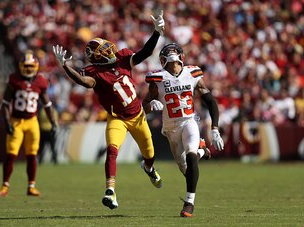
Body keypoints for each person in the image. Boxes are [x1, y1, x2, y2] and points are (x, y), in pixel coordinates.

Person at [52, 11, 165, 210]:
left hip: (138, 116)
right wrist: (65, 66)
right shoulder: (94, 72)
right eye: (105, 52)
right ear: (97, 58)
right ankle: (110, 192)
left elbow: (144, 53)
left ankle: (148, 168)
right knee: (112, 152)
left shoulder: (122, 57)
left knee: (150, 154)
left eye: (108, 48)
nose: (110, 52)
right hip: (117, 119)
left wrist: (157, 32)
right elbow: (84, 81)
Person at [142, 43, 224, 217]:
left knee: (191, 154)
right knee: (185, 168)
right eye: (168, 53)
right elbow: (142, 108)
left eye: (174, 52)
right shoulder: (157, 78)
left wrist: (215, 128)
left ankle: (189, 203)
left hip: (189, 121)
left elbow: (210, 100)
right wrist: (151, 105)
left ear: (181, 56)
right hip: (170, 128)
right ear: (162, 59)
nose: (172, 55)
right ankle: (203, 152)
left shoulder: (192, 73)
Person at [0, 50, 58, 197]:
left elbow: (47, 104)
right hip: (16, 120)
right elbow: (5, 104)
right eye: (26, 66)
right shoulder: (14, 80)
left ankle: (31, 186)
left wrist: (53, 122)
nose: (29, 69)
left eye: (31, 67)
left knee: (32, 155)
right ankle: (5, 186)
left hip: (32, 121)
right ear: (21, 66)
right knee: (11, 154)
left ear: (36, 67)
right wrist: (7, 123)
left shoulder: (41, 81)